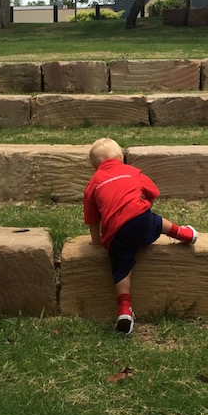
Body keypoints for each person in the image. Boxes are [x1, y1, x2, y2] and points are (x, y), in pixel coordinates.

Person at [83, 137, 197, 334]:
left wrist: (97, 241)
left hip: (116, 234)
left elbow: (93, 219)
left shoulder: (93, 184)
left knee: (121, 269)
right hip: (141, 221)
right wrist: (143, 210)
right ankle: (184, 234)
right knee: (156, 221)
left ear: (95, 167)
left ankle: (124, 310)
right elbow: (153, 192)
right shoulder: (131, 171)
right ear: (121, 158)